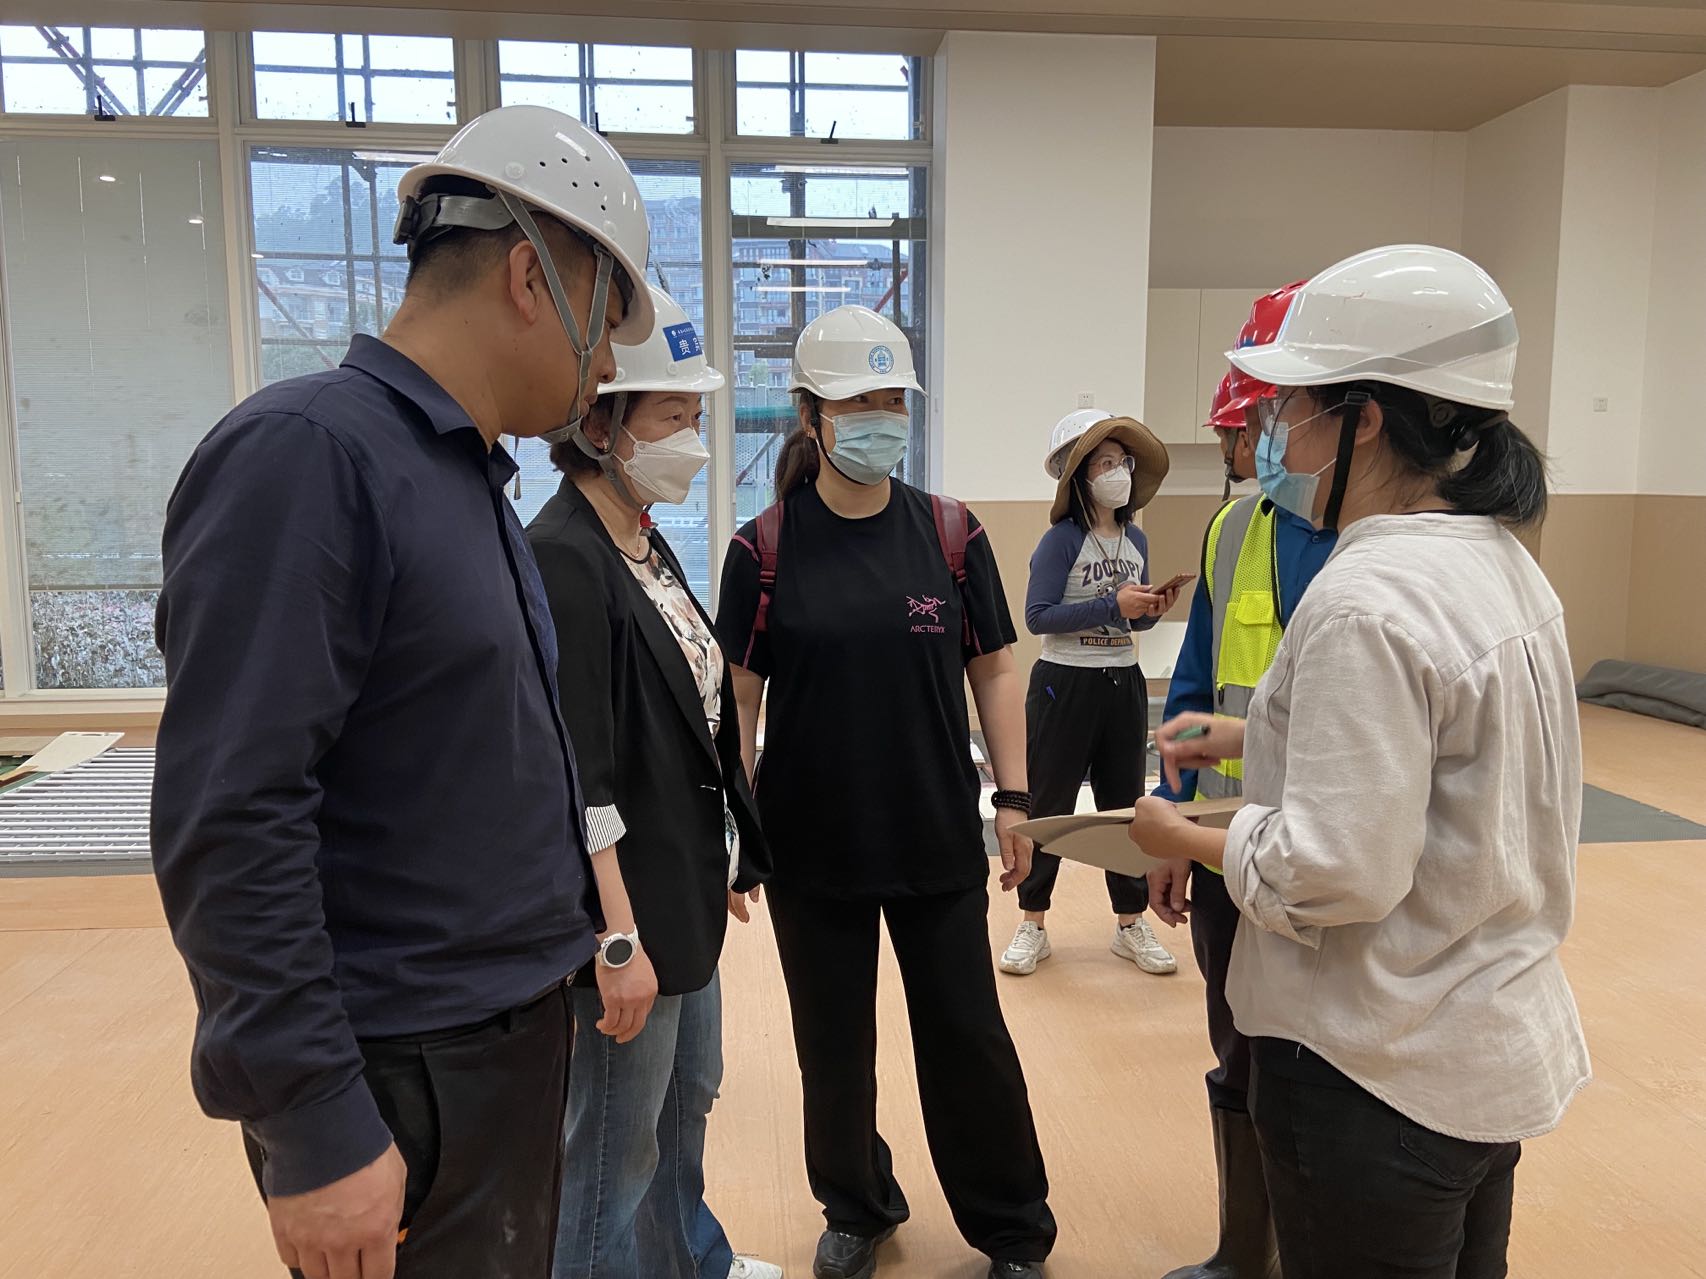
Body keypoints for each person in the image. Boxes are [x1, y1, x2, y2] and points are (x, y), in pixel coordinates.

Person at [151, 104, 655, 1279]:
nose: (606, 368)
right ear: (528, 277)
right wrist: (313, 1120)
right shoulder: (310, 454)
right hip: (400, 1066)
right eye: (604, 325)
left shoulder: (462, 473)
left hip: (498, 1037)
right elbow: (232, 813)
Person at [1132, 245, 1590, 1279]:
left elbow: (1335, 870)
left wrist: (1184, 833)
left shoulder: (1364, 598)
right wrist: (1256, 740)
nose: (1272, 436)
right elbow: (1449, 768)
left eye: (1289, 408)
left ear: (1365, 417)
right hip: (1481, 1051)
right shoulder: (1502, 565)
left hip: (1372, 1071)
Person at [715, 305, 1057, 1279]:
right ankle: (857, 1204)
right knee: (833, 1047)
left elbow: (995, 669)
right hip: (811, 844)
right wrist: (734, 828)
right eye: (857, 401)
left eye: (891, 400)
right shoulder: (762, 548)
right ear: (809, 416)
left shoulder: (950, 533)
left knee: (967, 1037)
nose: (879, 418)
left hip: (933, 832)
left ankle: (1011, 1225)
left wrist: (1015, 800)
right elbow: (739, 697)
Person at [526, 285, 780, 1279]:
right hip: (627, 906)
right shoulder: (563, 556)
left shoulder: (638, 533)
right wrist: (616, 936)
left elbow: (697, 712)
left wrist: (727, 852)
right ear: (600, 425)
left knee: (687, 1101)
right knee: (612, 1148)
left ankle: (687, 1262)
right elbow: (581, 772)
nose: (695, 443)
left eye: (696, 417)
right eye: (673, 416)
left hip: (683, 883)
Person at [1143, 282, 1335, 1279]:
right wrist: (1176, 829)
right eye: (1246, 426)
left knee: (1322, 1075)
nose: (1255, 443)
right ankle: (1239, 1253)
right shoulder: (1233, 532)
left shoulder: (1378, 545)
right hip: (1226, 846)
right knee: (1239, 1050)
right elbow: (1189, 699)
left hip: (1336, 853)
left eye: (1268, 418)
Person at [998, 409, 1181, 978]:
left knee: (1124, 805)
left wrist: (1151, 611)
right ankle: (1032, 922)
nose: (1117, 472)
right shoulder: (1061, 541)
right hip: (1065, 681)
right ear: (1080, 476)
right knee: (1050, 803)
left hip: (1122, 679)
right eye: (1105, 463)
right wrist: (1111, 604)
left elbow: (1133, 621)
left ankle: (1130, 922)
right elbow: (1038, 617)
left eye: (1123, 462)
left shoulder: (1136, 539)